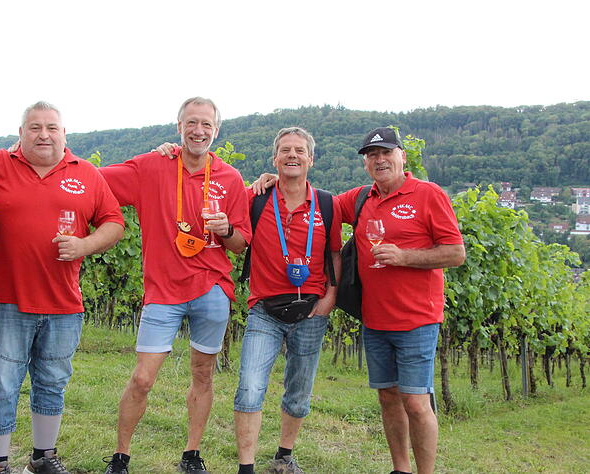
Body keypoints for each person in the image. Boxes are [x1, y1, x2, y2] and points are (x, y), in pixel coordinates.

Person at [0, 101, 125, 474]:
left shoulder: (88, 174)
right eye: (34, 128)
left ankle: (43, 457)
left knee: (52, 382)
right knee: (2, 383)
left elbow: (113, 221)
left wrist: (85, 245)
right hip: (5, 300)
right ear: (20, 134)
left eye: (51, 128)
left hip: (64, 303)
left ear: (65, 134)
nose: (43, 135)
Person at [253, 126, 465, 474]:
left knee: (416, 401)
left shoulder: (428, 194)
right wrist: (278, 179)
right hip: (375, 319)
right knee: (388, 398)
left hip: (418, 319)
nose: (379, 160)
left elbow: (455, 253)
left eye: (386, 153)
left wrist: (405, 257)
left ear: (402, 156)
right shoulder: (360, 198)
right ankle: (401, 469)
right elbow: (311, 201)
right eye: (372, 155)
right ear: (366, 163)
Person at [99, 97, 251, 474]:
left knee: (203, 373)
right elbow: (96, 181)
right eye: (192, 123)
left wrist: (226, 230)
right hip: (162, 292)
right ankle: (121, 456)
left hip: (212, 289)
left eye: (207, 125)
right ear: (178, 126)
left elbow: (241, 243)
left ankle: (191, 453)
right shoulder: (153, 166)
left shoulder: (230, 178)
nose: (199, 131)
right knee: (142, 378)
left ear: (216, 131)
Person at [234, 127, 342, 474]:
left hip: (311, 310)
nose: (292, 155)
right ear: (275, 159)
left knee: (298, 394)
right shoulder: (257, 199)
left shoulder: (328, 203)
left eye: (299, 150)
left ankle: (284, 456)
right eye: (285, 150)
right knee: (250, 389)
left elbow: (336, 254)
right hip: (264, 310)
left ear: (311, 159)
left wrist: (329, 299)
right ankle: (246, 467)